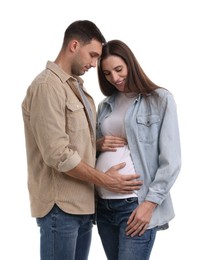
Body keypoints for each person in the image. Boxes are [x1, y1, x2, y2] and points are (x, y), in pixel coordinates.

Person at [21, 21, 142, 260]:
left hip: (84, 207)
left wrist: (95, 146)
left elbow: (71, 140)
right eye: (93, 55)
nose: (94, 64)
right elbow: (57, 153)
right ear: (74, 45)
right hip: (60, 208)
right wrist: (106, 180)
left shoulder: (77, 89)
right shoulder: (48, 86)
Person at [95, 39, 181, 260]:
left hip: (134, 206)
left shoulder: (160, 99)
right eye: (107, 73)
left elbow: (171, 160)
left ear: (130, 64)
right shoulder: (105, 106)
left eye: (118, 69)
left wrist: (149, 205)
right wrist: (97, 145)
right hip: (103, 206)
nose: (114, 78)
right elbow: (89, 152)